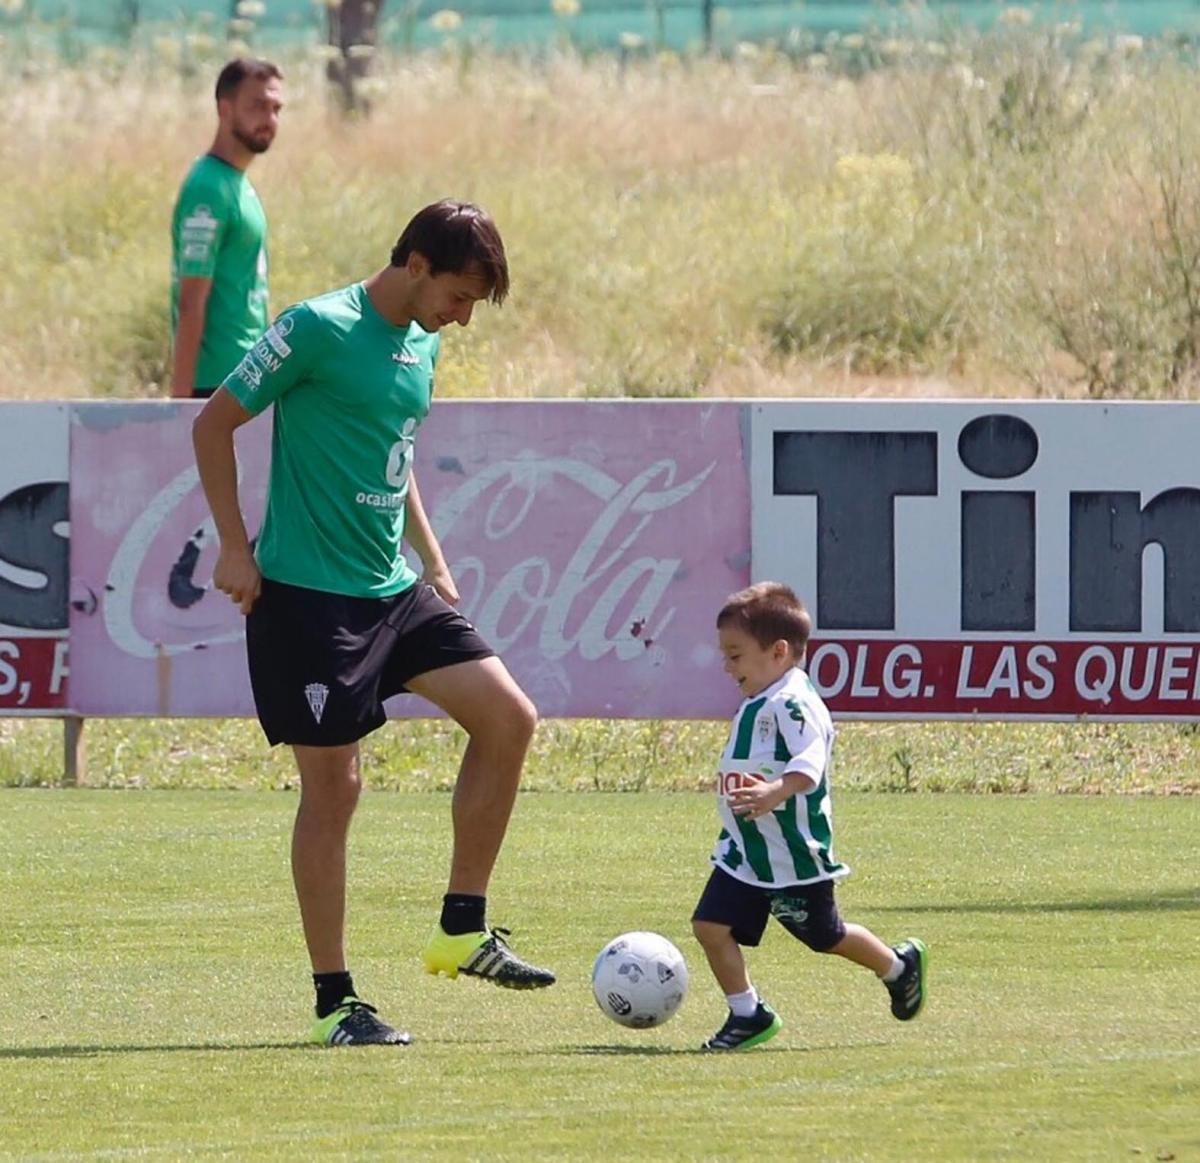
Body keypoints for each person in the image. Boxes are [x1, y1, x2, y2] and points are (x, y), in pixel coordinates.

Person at [191, 199, 555, 1048]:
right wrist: (235, 547)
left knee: (509, 718)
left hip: (394, 588)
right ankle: (335, 1001)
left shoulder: (421, 341)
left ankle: (463, 925)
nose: (462, 319)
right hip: (308, 596)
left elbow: (394, 454)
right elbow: (213, 422)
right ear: (418, 264)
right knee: (337, 788)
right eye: (460, 297)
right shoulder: (317, 327)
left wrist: (432, 558)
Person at [691, 581, 927, 1051]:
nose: (726, 666)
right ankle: (747, 1014)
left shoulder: (793, 703)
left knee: (826, 936)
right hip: (746, 852)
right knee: (709, 927)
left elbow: (809, 764)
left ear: (778, 652)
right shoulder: (762, 697)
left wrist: (775, 791)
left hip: (792, 857)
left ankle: (898, 967)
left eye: (735, 655)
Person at [170, 58, 284, 399]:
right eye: (257, 106)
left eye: (276, 108)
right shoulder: (208, 188)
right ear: (225, 108)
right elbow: (191, 300)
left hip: (247, 377)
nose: (269, 119)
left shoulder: (239, 185)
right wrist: (180, 403)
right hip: (213, 384)